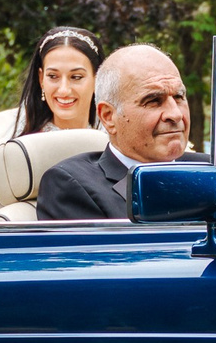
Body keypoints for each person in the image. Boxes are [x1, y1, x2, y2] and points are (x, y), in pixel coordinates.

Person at [34, 44, 203, 220]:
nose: (175, 114)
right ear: (108, 117)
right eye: (153, 101)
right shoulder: (72, 187)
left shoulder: (214, 169)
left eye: (179, 97)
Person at [7, 26, 103, 136]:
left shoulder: (111, 143)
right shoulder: (25, 147)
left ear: (97, 79)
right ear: (41, 78)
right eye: (53, 76)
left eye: (76, 77)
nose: (64, 90)